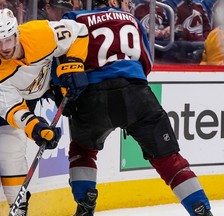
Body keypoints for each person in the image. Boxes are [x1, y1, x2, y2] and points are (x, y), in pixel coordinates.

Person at [62, 0, 213, 215]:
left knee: (82, 150)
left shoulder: (74, 19)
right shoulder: (131, 19)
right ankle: (201, 210)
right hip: (136, 93)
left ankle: (85, 205)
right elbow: (146, 63)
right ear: (115, 2)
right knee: (169, 160)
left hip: (92, 96)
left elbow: (61, 61)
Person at [0, 8, 89, 215]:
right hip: (21, 96)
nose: (3, 48)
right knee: (7, 142)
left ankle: (85, 190)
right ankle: (18, 205)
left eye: (8, 39)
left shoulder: (41, 33)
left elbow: (79, 31)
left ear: (17, 34)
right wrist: (35, 127)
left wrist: (73, 66)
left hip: (53, 82)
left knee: (86, 113)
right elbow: (10, 106)